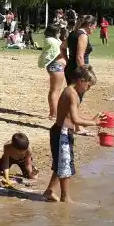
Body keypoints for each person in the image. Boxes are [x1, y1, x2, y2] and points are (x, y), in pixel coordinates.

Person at [43, 67, 101, 203]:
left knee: (61, 162)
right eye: (88, 86)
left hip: (62, 131)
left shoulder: (71, 91)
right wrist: (93, 122)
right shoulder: (72, 94)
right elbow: (75, 119)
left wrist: (91, 120)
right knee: (65, 165)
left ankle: (49, 191)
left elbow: (72, 116)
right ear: (81, 81)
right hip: (62, 132)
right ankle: (65, 197)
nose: (88, 89)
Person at [39, 25, 67, 121]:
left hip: (56, 67)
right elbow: (60, 51)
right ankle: (54, 113)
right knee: (55, 90)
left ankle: (53, 112)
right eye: (58, 32)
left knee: (54, 90)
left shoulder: (51, 40)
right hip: (57, 67)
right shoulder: (52, 41)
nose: (59, 34)